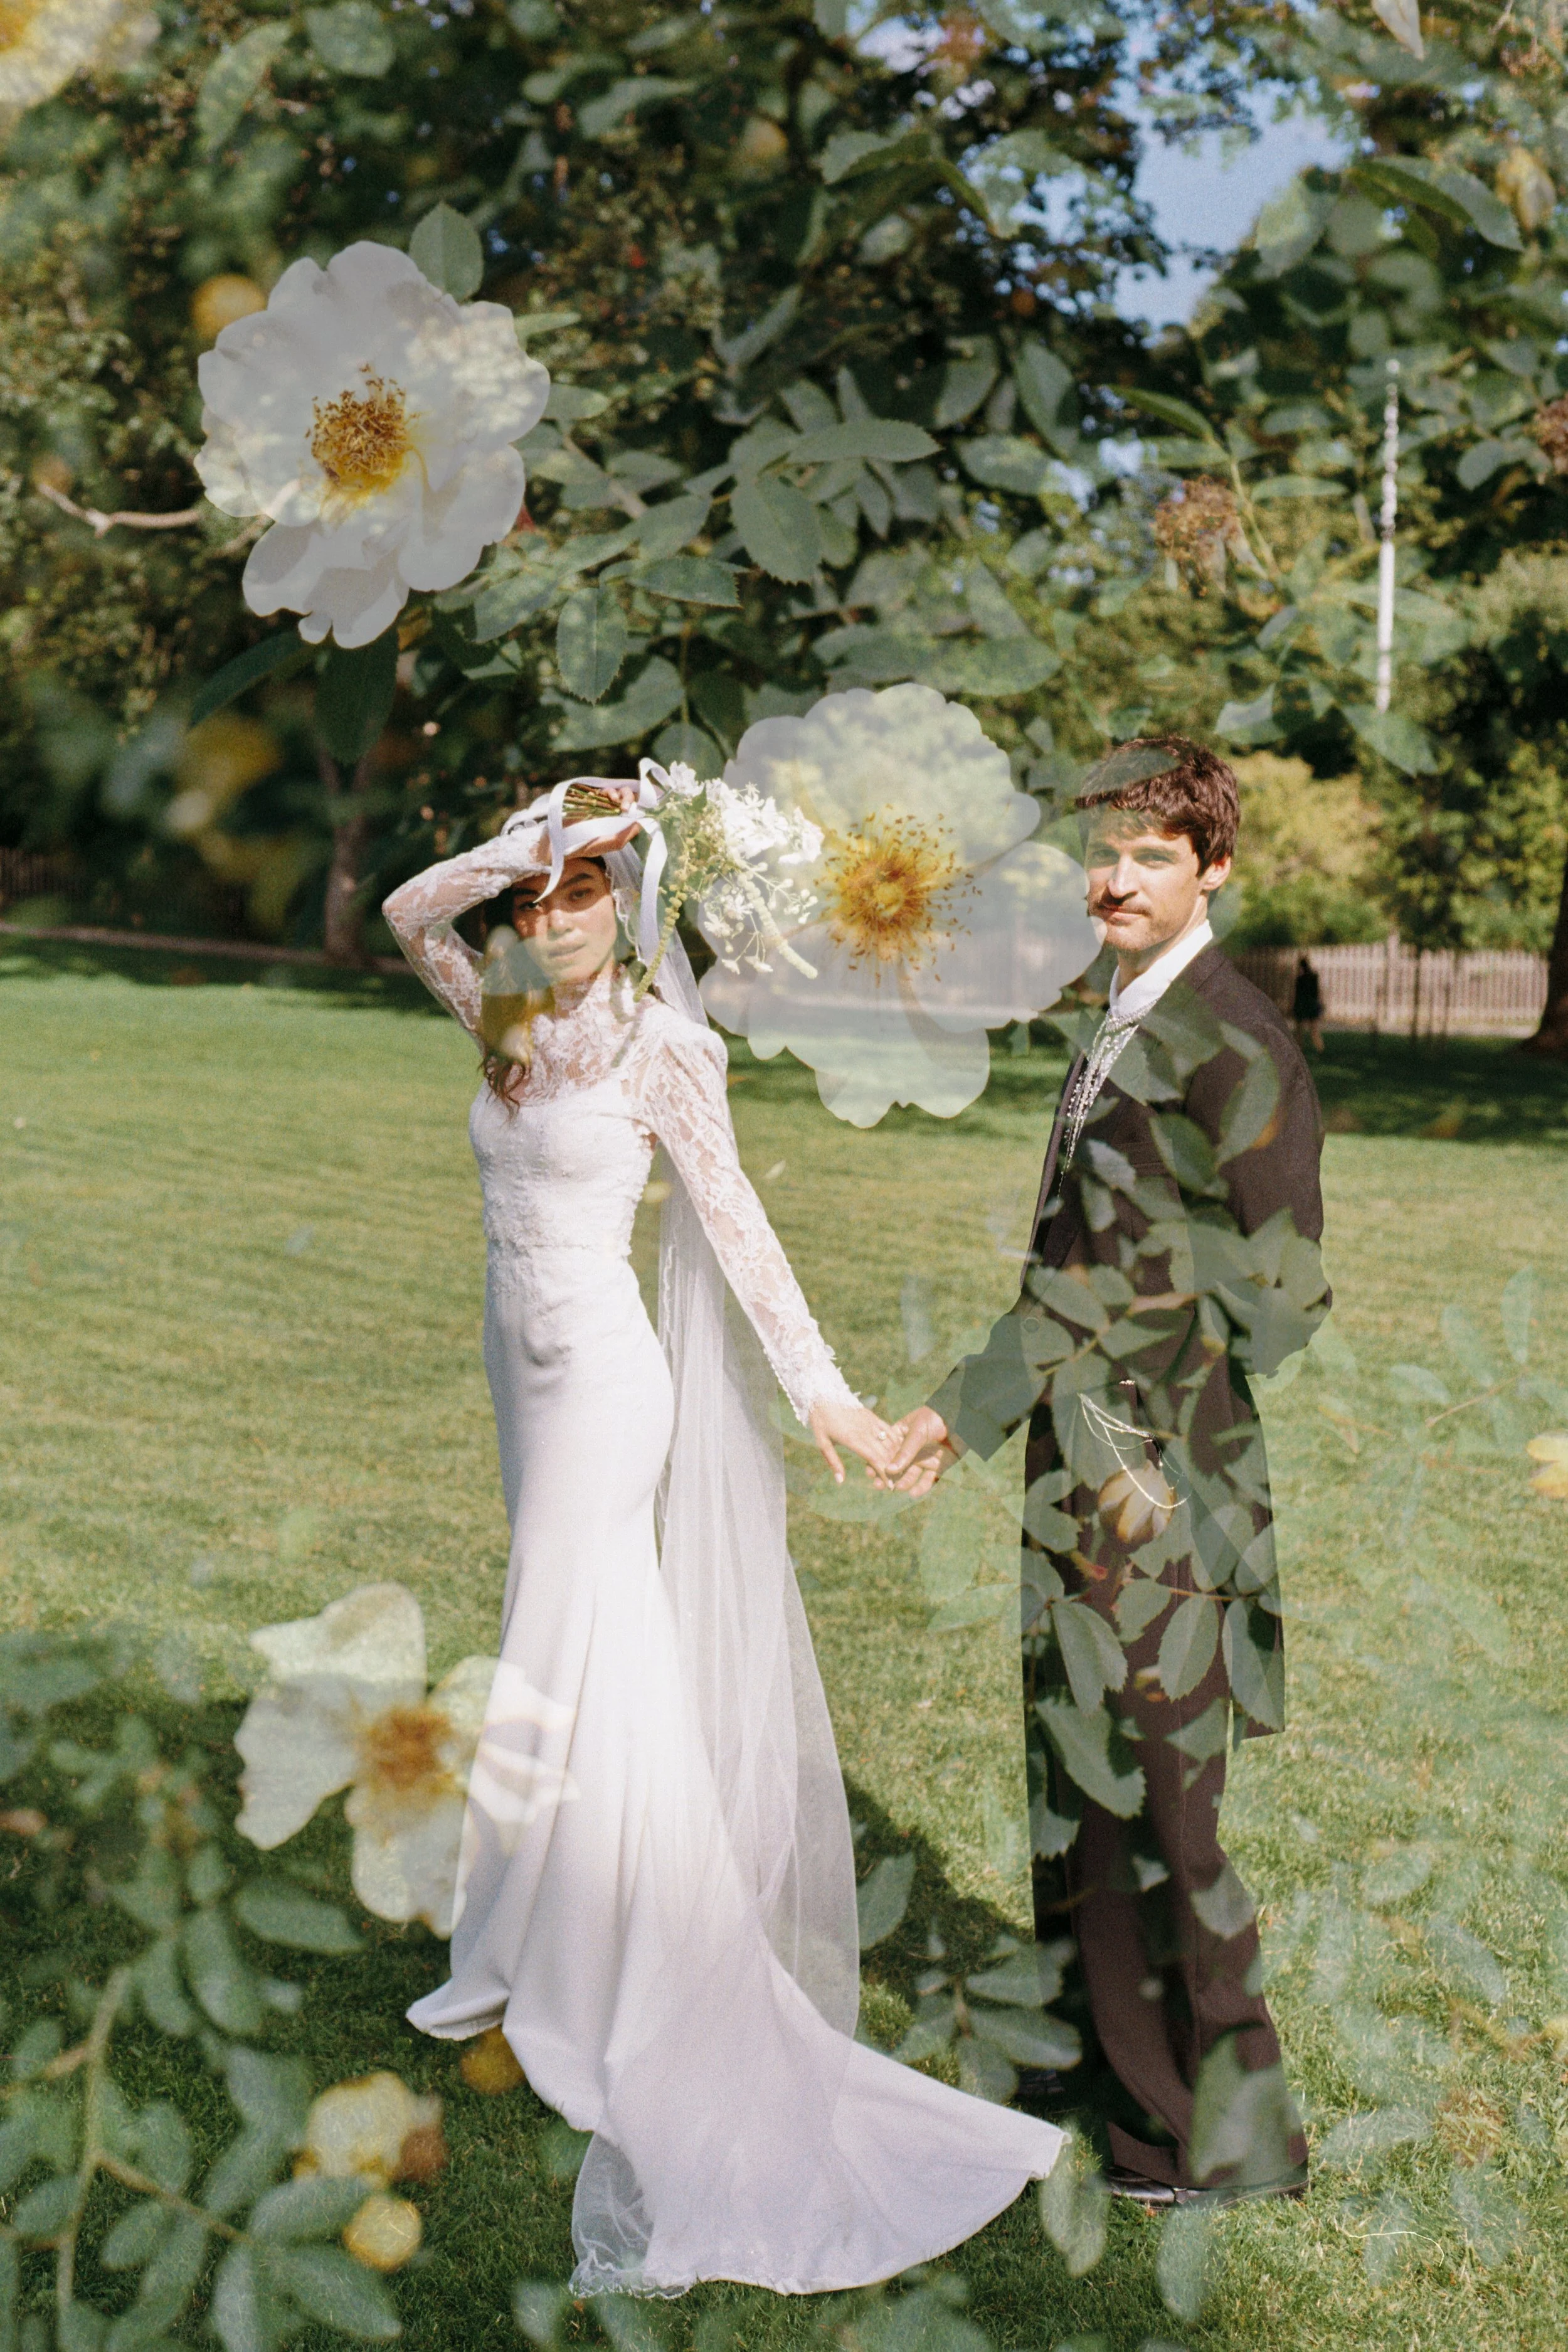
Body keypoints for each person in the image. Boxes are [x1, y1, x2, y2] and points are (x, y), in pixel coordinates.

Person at [381, 784, 1064, 2297]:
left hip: (605, 1389)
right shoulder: (503, 1004)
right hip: (519, 1368)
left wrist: (820, 1384)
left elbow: (737, 1218)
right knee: (568, 1633)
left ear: (629, 896)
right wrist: (535, 830)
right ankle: (534, 1923)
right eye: (536, 900)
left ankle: (611, 1952)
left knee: (579, 1627)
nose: (550, 921)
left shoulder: (659, 1045)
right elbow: (401, 911)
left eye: (580, 894)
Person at [882, 738, 1329, 2206]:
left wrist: (1142, 1397)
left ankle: (1231, 2134)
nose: (1116, 876)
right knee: (1075, 1766)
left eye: (1151, 852)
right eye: (1106, 850)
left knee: (1160, 1794)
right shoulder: (1122, 1015)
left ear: (1214, 868)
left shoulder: (1232, 1036)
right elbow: (1071, 1265)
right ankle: (1110, 2073)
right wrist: (970, 1410)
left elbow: (1284, 1295)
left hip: (1156, 1471)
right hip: (1079, 1459)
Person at [1292, 952, 1325, 1054]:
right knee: (1314, 1031)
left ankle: (1298, 1050)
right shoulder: (1314, 977)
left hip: (1302, 1005)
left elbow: (1296, 995)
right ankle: (1321, 1050)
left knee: (1299, 1031)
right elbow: (1318, 992)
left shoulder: (1300, 979)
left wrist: (1293, 1007)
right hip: (1312, 1005)